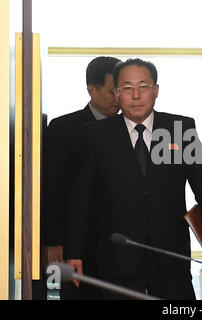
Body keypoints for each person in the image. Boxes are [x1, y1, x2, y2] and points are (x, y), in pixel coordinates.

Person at [64, 58, 202, 299]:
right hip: (117, 255)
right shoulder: (95, 135)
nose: (136, 95)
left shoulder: (181, 129)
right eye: (127, 88)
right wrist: (73, 251)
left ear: (156, 91)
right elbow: (81, 199)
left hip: (170, 253)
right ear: (117, 94)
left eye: (143, 87)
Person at [45, 56, 121, 299]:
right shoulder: (64, 129)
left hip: (119, 243)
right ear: (91, 90)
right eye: (112, 92)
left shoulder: (131, 127)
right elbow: (53, 189)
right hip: (76, 243)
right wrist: (53, 240)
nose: (118, 98)